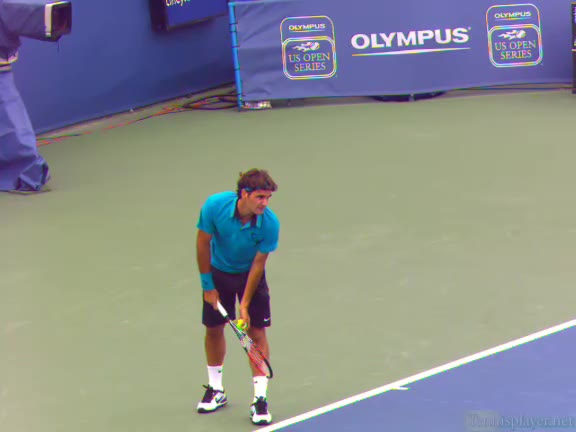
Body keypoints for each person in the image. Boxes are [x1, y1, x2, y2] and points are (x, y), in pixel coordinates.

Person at [195, 169, 280, 426]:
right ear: (244, 194)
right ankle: (216, 389)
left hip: (250, 276)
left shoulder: (269, 224)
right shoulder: (215, 206)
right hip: (218, 272)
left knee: (257, 333)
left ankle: (260, 400)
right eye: (260, 197)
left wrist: (244, 304)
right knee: (213, 329)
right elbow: (202, 243)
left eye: (268, 197)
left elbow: (258, 264)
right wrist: (208, 286)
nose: (265, 203)